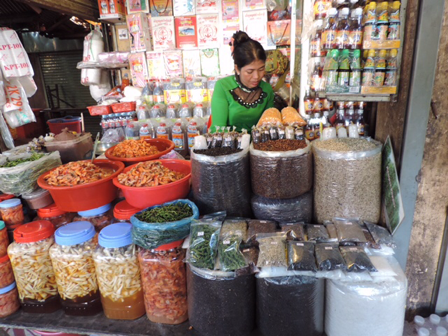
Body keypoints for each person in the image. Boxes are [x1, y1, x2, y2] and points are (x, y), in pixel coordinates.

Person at [210, 31, 275, 132]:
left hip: (258, 146)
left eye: (261, 69)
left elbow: (269, 126)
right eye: (250, 71)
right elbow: (218, 129)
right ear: (237, 69)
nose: (257, 76)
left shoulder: (266, 89)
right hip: (230, 145)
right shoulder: (223, 86)